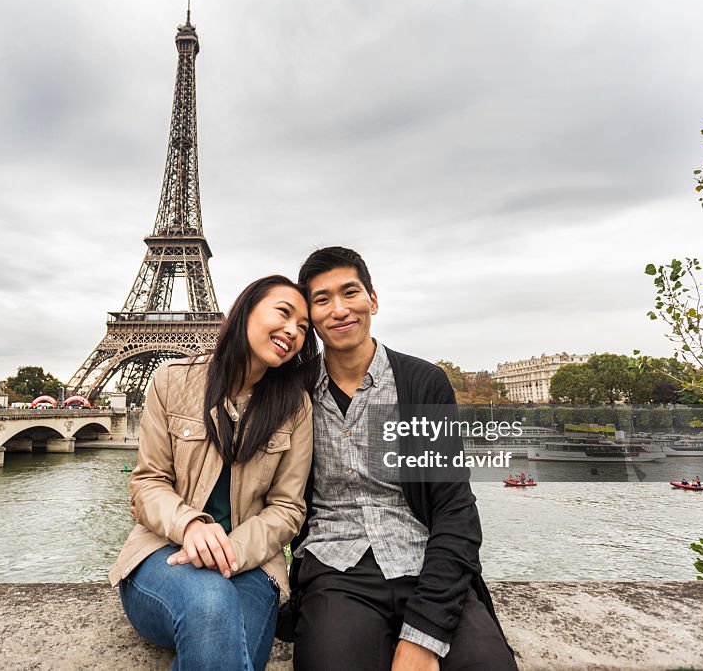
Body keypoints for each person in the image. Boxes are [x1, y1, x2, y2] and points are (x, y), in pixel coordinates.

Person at [284, 247, 517, 671]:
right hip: (336, 569)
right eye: (322, 299)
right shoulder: (293, 392)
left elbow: (454, 508)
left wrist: (424, 634)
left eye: (349, 292)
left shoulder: (423, 383)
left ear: (373, 299)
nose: (339, 309)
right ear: (310, 317)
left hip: (425, 561)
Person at [109, 275, 319, 671]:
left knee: (220, 631)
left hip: (251, 564)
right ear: (245, 311)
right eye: (284, 313)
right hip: (163, 555)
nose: (293, 331)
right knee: (212, 602)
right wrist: (190, 526)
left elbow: (289, 508)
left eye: (304, 328)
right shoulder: (172, 379)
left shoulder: (297, 407)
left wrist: (231, 550)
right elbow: (147, 482)